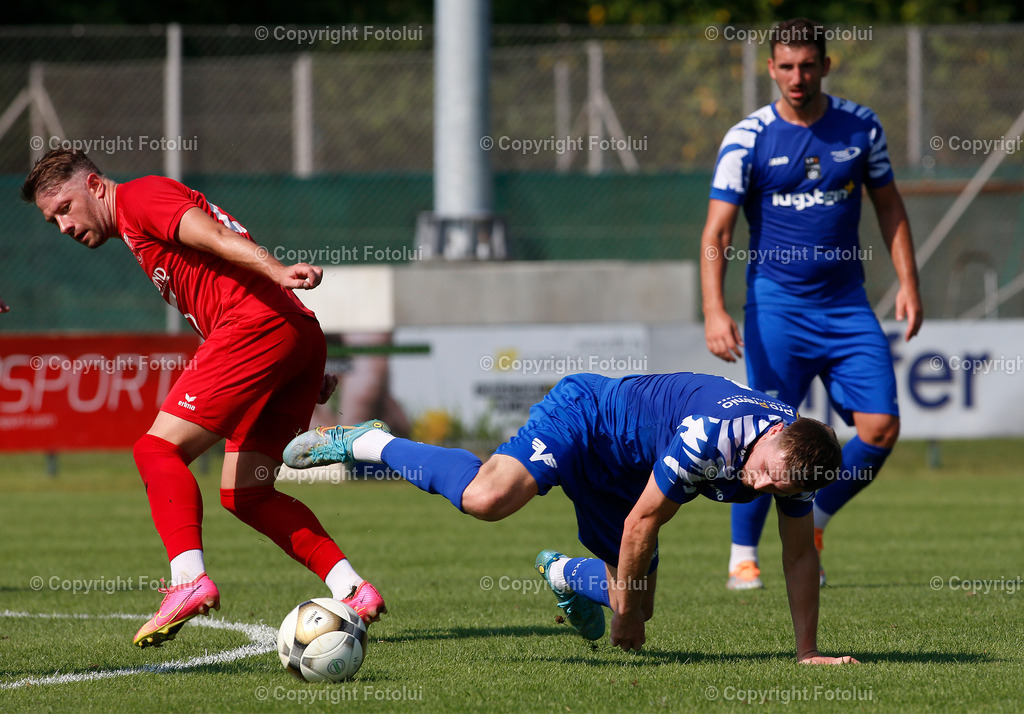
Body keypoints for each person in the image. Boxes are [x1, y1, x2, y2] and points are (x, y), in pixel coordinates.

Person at [21, 149, 386, 648]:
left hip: (258, 324)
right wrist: (298, 361)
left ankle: (188, 578)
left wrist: (275, 269)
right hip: (289, 332)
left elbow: (214, 237)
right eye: (51, 220)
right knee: (246, 493)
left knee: (155, 450)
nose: (62, 225)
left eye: (64, 207)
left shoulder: (140, 197)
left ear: (95, 185)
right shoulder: (132, 228)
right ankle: (353, 589)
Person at [284, 371, 858, 664]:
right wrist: (627, 618)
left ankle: (562, 574)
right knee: (488, 499)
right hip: (588, 420)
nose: (757, 486)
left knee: (637, 600)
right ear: (775, 434)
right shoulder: (713, 437)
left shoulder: (794, 460)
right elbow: (642, 526)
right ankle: (366, 443)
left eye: (772, 486)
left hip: (630, 476)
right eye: (761, 473)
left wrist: (806, 653)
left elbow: (799, 552)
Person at [700, 17, 923, 590]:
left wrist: (909, 284)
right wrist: (714, 308)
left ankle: (816, 520)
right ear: (770, 69)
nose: (796, 77)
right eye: (785, 66)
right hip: (776, 308)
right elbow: (718, 232)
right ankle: (742, 554)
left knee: (881, 427)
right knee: (763, 432)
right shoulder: (747, 138)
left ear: (826, 65)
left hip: (847, 307)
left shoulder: (862, 128)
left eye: (807, 65)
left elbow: (890, 208)